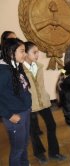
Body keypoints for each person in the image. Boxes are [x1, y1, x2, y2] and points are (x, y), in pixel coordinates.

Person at [23, 41, 66, 164]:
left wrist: (46, 96)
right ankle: (39, 153)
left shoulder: (39, 66)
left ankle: (54, 152)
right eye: (34, 52)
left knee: (51, 125)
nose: (37, 55)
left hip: (44, 101)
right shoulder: (20, 70)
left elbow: (40, 85)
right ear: (25, 54)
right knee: (33, 131)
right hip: (30, 104)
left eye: (37, 52)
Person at [0, 38, 31, 166]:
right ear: (11, 52)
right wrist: (8, 115)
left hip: (24, 111)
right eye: (22, 51)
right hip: (14, 115)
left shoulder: (16, 66)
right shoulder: (4, 72)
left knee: (24, 144)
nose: (25, 54)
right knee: (17, 149)